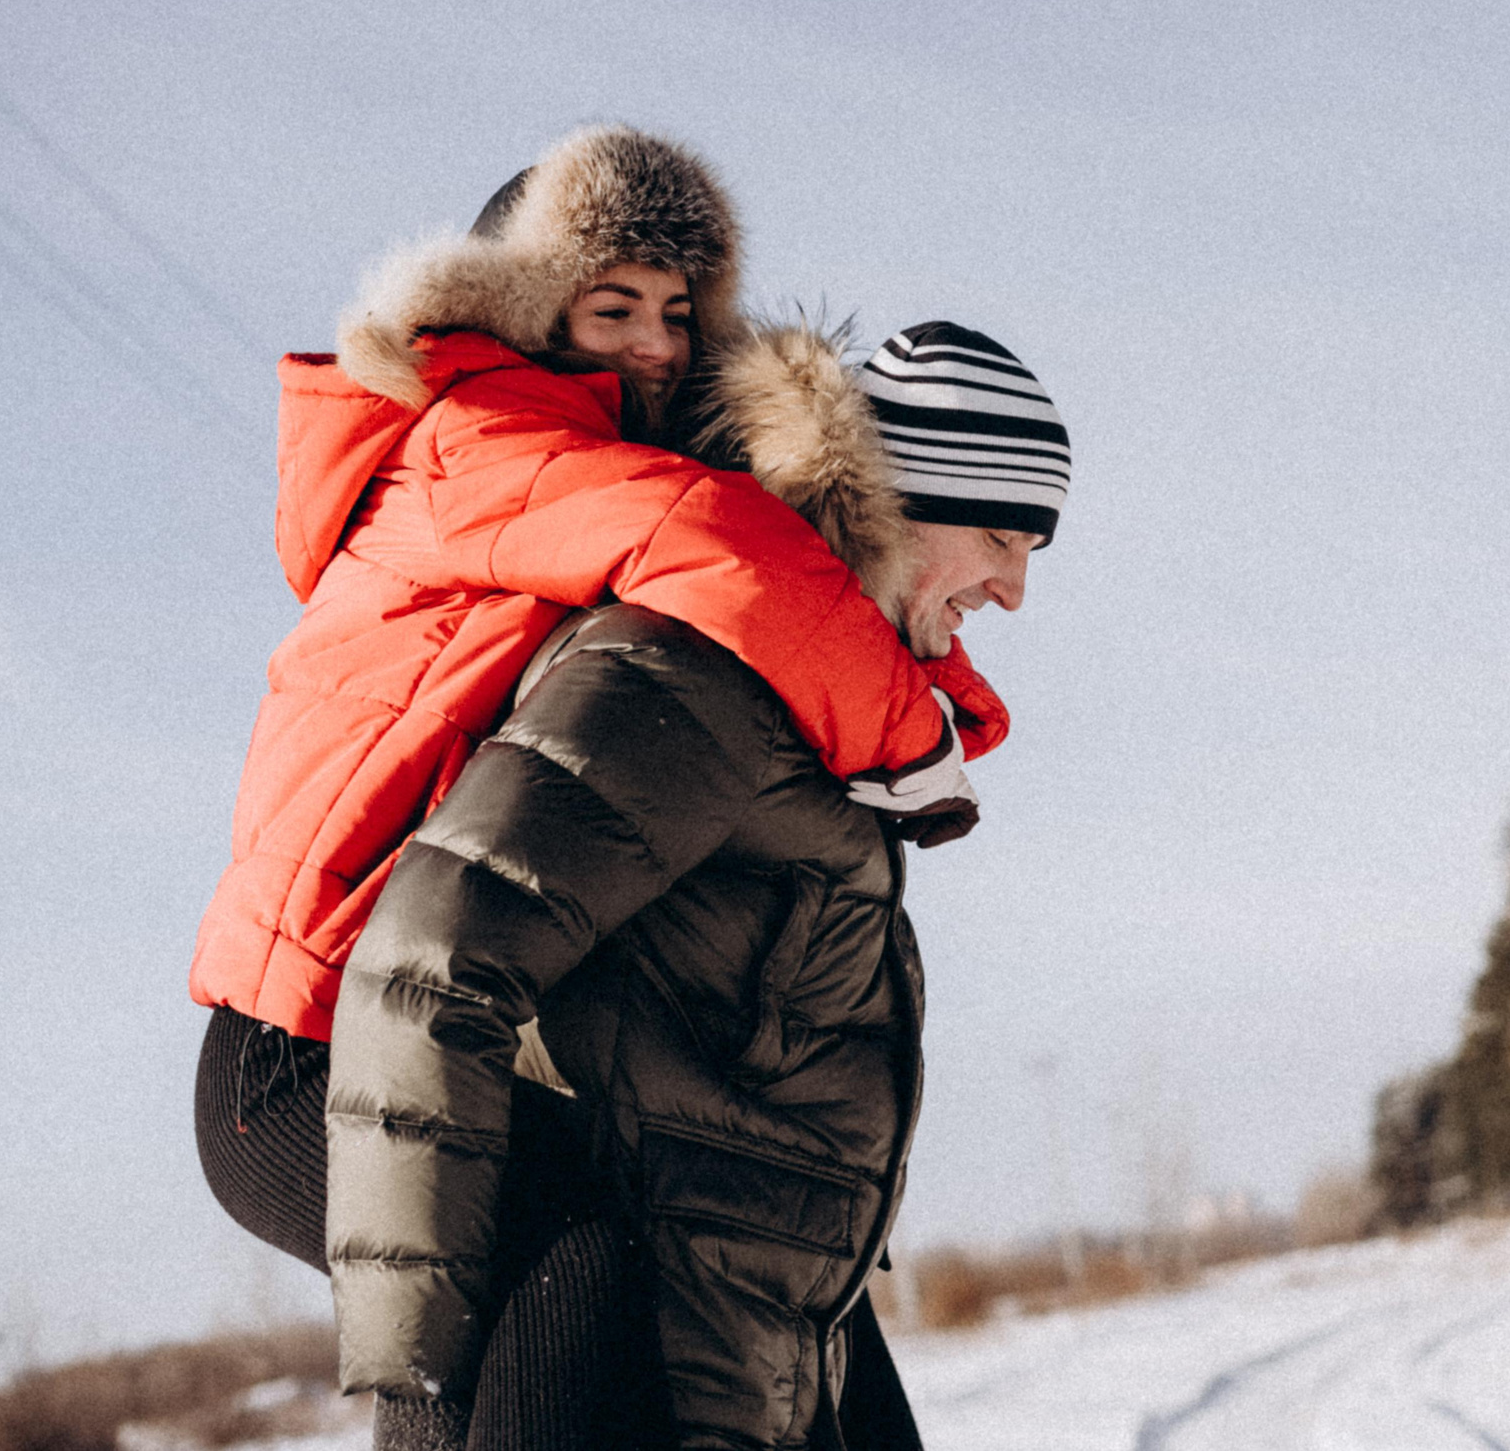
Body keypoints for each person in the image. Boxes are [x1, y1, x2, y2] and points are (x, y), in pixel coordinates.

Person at [191, 129, 1005, 1444]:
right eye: (611, 303)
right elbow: (728, 545)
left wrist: (926, 677)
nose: (657, 343)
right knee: (579, 1239)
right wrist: (911, 733)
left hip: (415, 1022)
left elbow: (761, 587)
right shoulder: (479, 439)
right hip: (296, 1050)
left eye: (680, 312)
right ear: (520, 306)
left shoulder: (581, 474)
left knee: (628, 1236)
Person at [323, 322, 1070, 1449]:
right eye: (999, 535)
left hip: (769, 1353)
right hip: (659, 1369)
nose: (1013, 589)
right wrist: (431, 1383)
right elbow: (429, 963)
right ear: (894, 496)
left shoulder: (811, 699)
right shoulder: (696, 667)